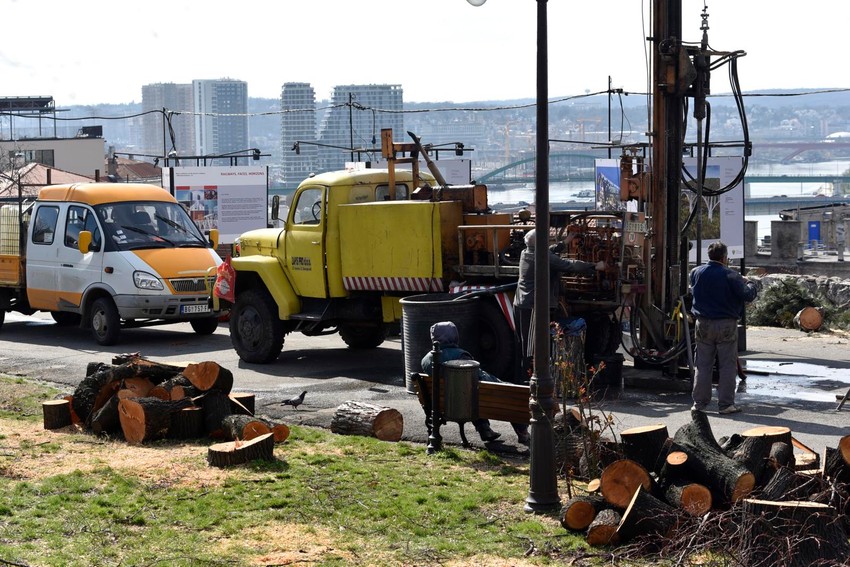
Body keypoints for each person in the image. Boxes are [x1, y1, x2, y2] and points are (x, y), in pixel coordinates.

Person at [512, 228, 606, 381]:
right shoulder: (542, 257)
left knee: (525, 345)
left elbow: (548, 251)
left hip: (523, 303)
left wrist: (565, 242)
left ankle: (524, 378)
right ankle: (527, 382)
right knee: (530, 348)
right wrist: (594, 266)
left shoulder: (526, 252)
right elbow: (568, 264)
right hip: (532, 306)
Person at [421, 321, 529, 445]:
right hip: (470, 401)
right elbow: (479, 378)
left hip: (446, 403)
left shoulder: (426, 360)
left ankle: (484, 428)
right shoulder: (460, 355)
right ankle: (522, 431)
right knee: (510, 392)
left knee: (470, 394)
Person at [689, 241, 758, 415]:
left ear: (709, 256)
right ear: (725, 257)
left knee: (702, 364)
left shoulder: (696, 272)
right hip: (726, 324)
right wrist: (749, 282)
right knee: (727, 365)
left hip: (702, 323)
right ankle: (726, 404)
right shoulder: (731, 275)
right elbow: (747, 295)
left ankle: (699, 404)